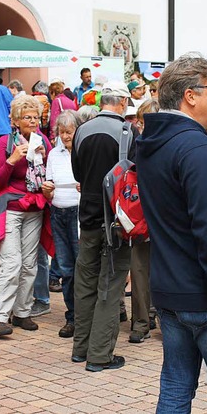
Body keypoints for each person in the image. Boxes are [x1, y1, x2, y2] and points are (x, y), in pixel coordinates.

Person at [136, 54, 207, 411]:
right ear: (190, 94)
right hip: (205, 294)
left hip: (171, 288)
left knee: (175, 386)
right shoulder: (196, 147)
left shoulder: (154, 142)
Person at [71, 81, 135, 372]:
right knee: (110, 285)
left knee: (85, 282)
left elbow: (78, 173)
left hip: (87, 216)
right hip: (116, 221)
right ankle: (99, 354)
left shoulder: (82, 129)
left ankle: (80, 348)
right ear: (121, 102)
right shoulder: (127, 132)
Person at [0, 95, 53, 338]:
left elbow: (51, 173)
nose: (33, 121)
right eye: (27, 117)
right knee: (11, 263)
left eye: (36, 117)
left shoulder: (43, 140)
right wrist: (13, 160)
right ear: (15, 121)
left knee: (29, 264)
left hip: (34, 208)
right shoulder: (5, 143)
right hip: (10, 207)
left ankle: (22, 311)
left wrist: (48, 177)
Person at [41, 110, 82, 338]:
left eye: (69, 131)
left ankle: (84, 315)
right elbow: (49, 184)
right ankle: (72, 315)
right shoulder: (54, 154)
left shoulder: (83, 150)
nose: (66, 136)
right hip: (58, 211)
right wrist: (47, 190)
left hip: (78, 211)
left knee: (80, 265)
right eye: (62, 132)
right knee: (65, 266)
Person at [127, 99, 160, 344]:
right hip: (141, 214)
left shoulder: (173, 143)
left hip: (165, 217)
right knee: (138, 270)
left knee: (161, 269)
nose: (141, 125)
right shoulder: (137, 144)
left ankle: (158, 315)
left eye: (144, 121)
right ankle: (141, 320)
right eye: (140, 121)